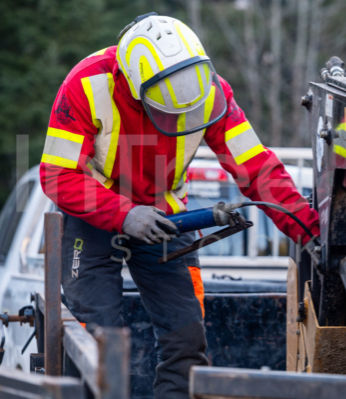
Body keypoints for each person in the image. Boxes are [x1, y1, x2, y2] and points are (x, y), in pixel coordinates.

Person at [40, 13, 319, 398]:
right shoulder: (85, 86)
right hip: (93, 218)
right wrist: (124, 214)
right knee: (96, 341)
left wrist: (313, 231)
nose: (177, 118)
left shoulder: (209, 92)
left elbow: (256, 168)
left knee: (186, 341)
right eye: (167, 112)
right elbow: (58, 176)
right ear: (136, 89)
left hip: (165, 221)